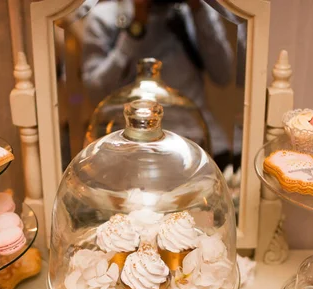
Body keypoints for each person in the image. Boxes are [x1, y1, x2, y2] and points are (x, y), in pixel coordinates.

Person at [82, 0, 234, 165]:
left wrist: (198, 9)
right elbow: (95, 92)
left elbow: (223, 75)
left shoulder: (192, 11)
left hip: (200, 144)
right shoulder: (105, 16)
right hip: (133, 151)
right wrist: (136, 27)